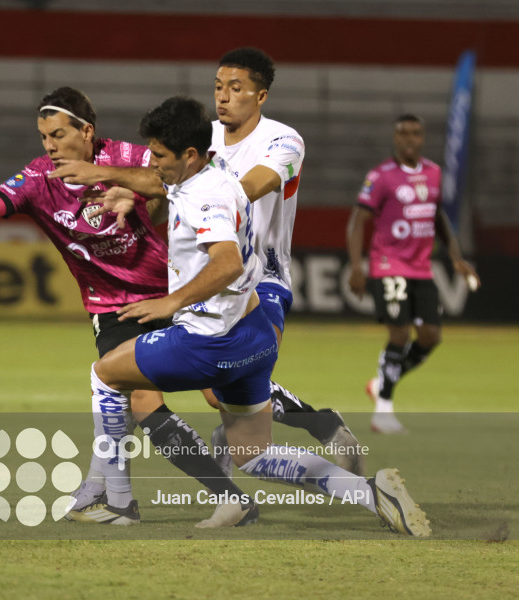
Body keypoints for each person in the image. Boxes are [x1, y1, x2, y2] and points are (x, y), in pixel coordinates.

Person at [73, 96, 430, 534]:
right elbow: (159, 183)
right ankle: (374, 492)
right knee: (254, 455)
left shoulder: (203, 198)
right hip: (252, 332)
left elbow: (227, 263)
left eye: (160, 157)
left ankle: (116, 500)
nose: (154, 165)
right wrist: (108, 174)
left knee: (106, 375)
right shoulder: (217, 170)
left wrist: (171, 302)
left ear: (188, 155)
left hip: (209, 340)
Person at [0, 86, 255, 526]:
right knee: (139, 401)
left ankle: (311, 430)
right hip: (110, 309)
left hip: (168, 294)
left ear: (87, 131)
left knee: (213, 395)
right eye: (43, 137)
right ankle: (145, 500)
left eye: (57, 134)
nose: (50, 145)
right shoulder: (38, 180)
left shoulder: (126, 156)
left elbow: (172, 179)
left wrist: (106, 177)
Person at [50, 47, 365, 476]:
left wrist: (118, 176)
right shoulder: (201, 137)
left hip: (263, 280)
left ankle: (257, 466)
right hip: (210, 277)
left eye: (236, 88)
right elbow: (170, 188)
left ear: (261, 96)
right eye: (218, 87)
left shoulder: (283, 141)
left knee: (218, 386)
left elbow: (240, 190)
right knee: (220, 393)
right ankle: (308, 435)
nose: (223, 97)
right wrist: (146, 193)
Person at [346, 113, 480, 434]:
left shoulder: (434, 173)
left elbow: (437, 217)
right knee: (399, 334)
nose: (410, 139)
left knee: (431, 337)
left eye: (416, 133)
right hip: (388, 264)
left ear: (422, 138)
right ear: (396, 138)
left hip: (421, 268)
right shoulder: (381, 176)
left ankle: (381, 382)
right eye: (403, 133)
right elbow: (357, 222)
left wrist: (456, 257)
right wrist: (356, 267)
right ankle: (384, 412)